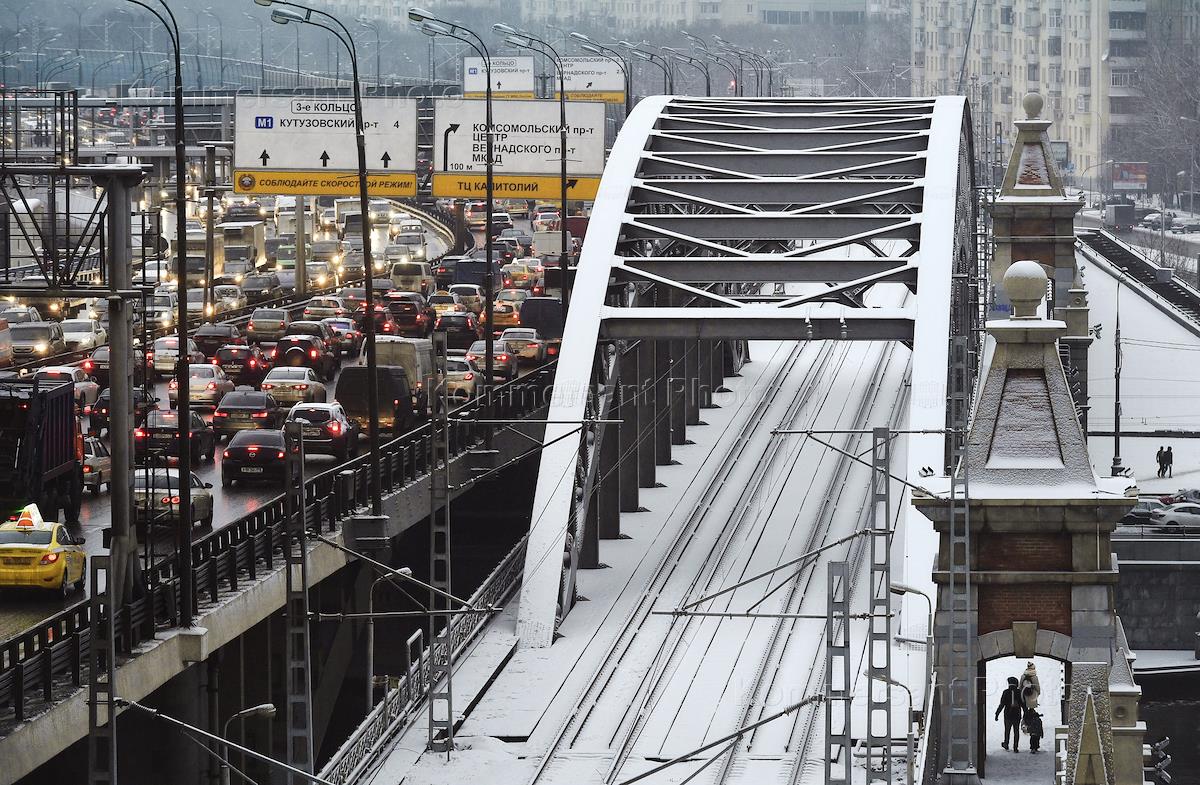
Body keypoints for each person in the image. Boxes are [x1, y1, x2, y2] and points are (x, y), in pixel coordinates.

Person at [996, 676, 1024, 751]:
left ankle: (1006, 744)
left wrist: (997, 714)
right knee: (1016, 731)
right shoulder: (1019, 692)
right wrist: (1026, 713)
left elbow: (1002, 704)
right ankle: (1015, 747)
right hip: (1017, 715)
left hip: (1008, 715)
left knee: (1007, 731)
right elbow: (1023, 704)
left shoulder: (1005, 692)